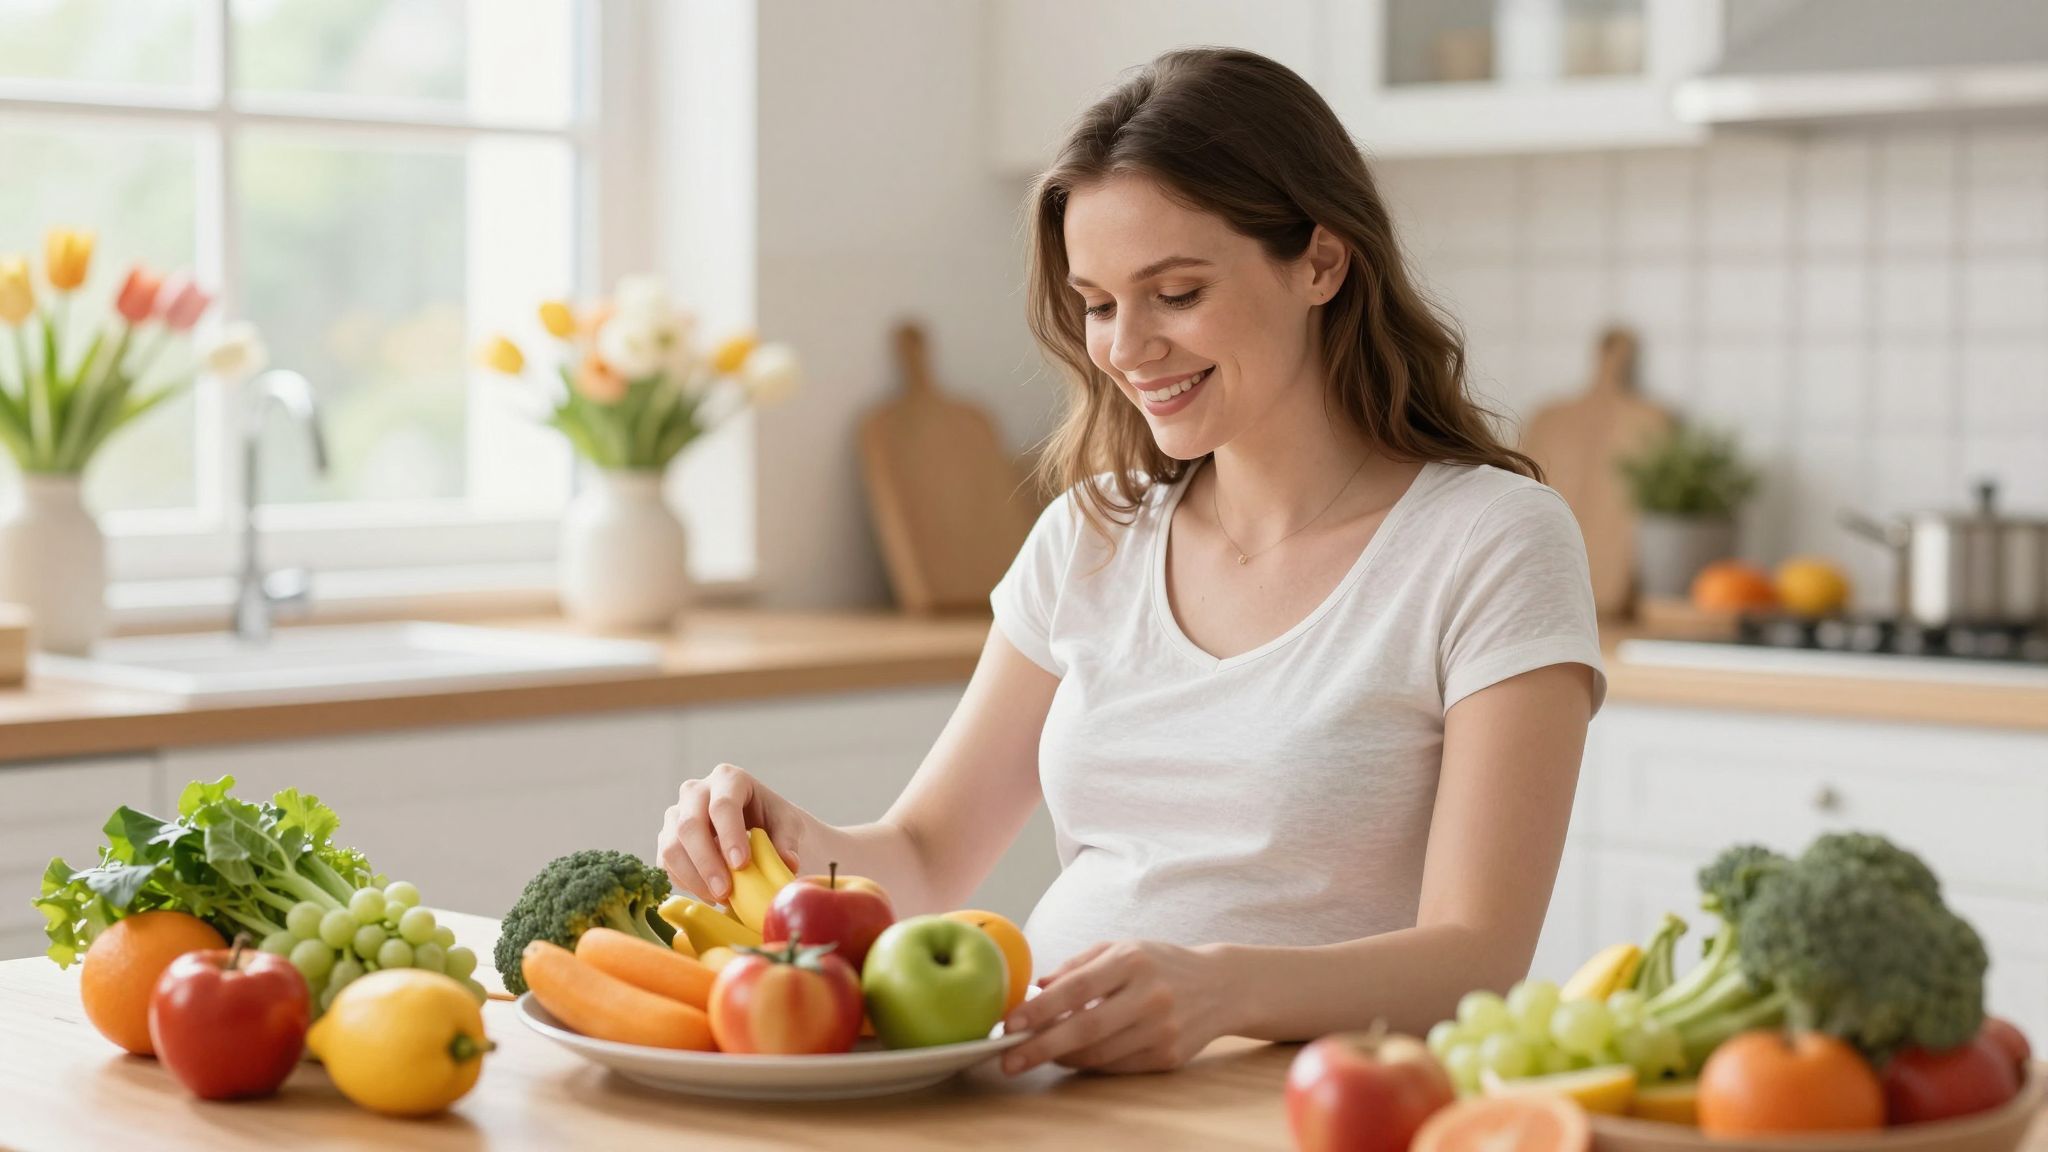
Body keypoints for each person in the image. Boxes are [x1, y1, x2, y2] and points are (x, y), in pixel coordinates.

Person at [658, 47, 1604, 1078]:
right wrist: (786, 841)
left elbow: (1478, 958)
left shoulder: (1490, 541)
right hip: (1046, 1087)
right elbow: (927, 859)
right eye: (1098, 303)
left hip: (1303, 1104)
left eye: (1177, 293)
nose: (1127, 346)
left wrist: (1221, 991)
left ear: (1321, 264)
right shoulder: (1090, 533)